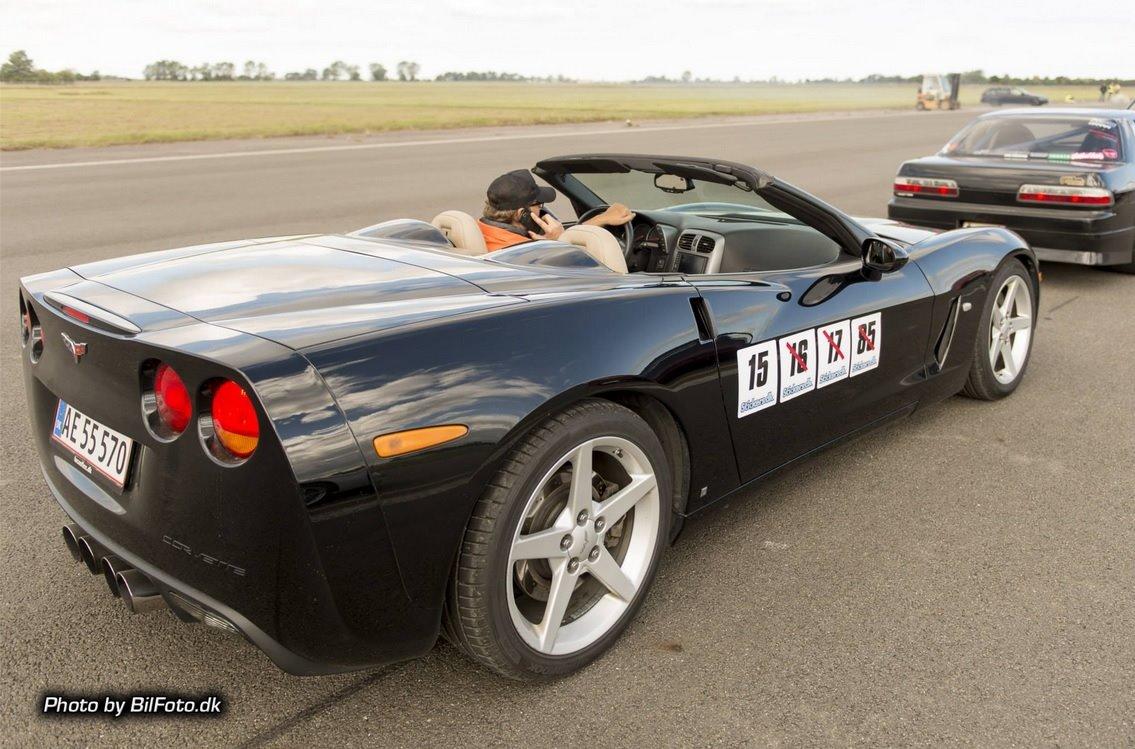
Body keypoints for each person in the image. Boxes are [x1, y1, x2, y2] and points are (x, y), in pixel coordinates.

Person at [478, 169, 634, 251]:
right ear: (521, 214)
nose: (541, 209)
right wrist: (560, 244)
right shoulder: (523, 252)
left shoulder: (479, 230)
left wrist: (602, 219)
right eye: (538, 205)